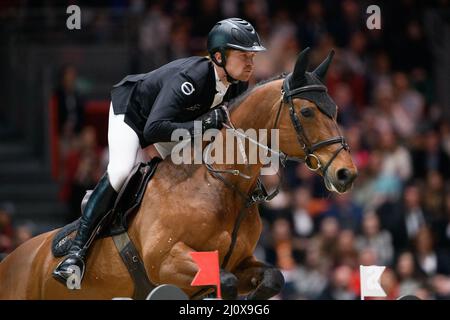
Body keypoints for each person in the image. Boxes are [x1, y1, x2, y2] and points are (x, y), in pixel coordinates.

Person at [53, 18, 266, 286]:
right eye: (244, 55)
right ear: (219, 56)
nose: (251, 63)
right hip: (133, 115)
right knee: (121, 171)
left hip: (174, 125)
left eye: (252, 56)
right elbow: (154, 129)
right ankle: (76, 253)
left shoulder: (237, 85)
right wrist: (202, 126)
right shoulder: (191, 78)